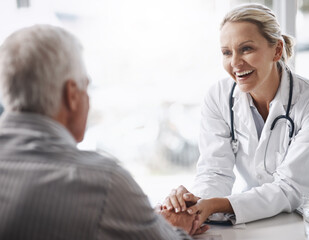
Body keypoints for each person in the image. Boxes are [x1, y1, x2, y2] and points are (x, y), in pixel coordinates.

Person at [0, 25, 208, 239]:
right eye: (86, 87)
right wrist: (174, 227)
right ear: (71, 95)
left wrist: (141, 223)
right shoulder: (101, 184)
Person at [163, 3, 309, 225]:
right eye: (227, 52)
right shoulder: (218, 97)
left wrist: (217, 205)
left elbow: (291, 187)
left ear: (277, 50)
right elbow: (214, 173)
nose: (235, 63)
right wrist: (194, 205)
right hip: (257, 215)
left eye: (246, 49)